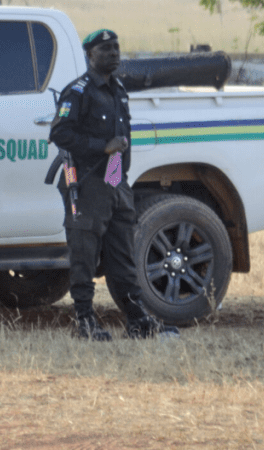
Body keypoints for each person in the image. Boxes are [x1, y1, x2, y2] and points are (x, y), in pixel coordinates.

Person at [49, 29, 179, 341]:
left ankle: (137, 320)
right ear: (90, 55)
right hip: (87, 181)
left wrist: (120, 175)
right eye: (106, 49)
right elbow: (60, 134)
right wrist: (100, 145)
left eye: (117, 47)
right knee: (84, 253)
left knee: (122, 254)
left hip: (115, 180)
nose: (114, 53)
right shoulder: (79, 92)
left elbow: (124, 140)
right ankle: (84, 321)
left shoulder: (118, 90)